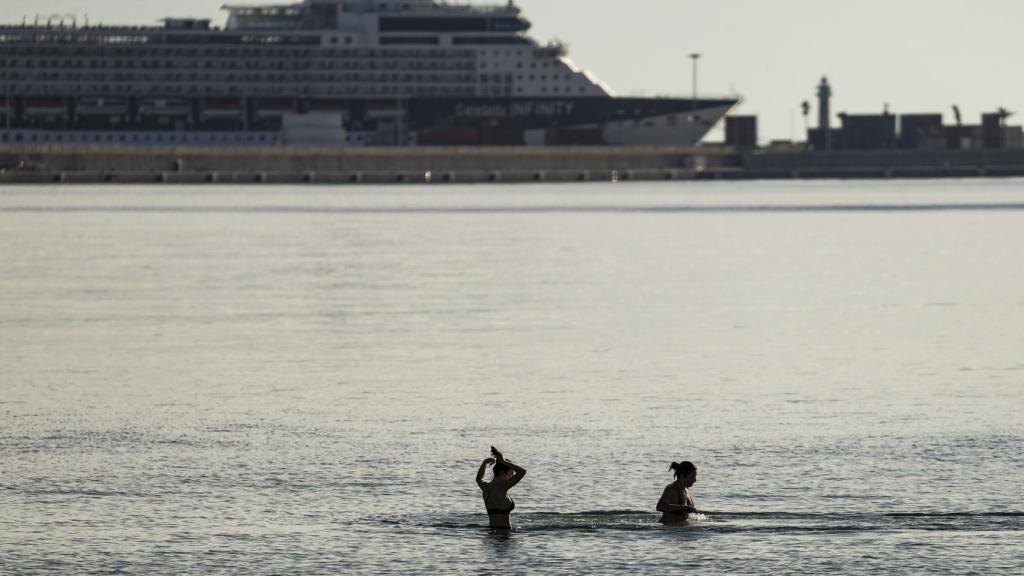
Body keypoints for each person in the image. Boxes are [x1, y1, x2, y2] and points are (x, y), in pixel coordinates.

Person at [476, 446, 526, 529]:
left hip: (491, 532)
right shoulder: (502, 486)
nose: (512, 476)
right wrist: (502, 461)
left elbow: (478, 479)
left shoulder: (486, 487)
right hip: (503, 534)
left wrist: (485, 462)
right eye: (511, 473)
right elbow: (522, 472)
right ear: (502, 472)